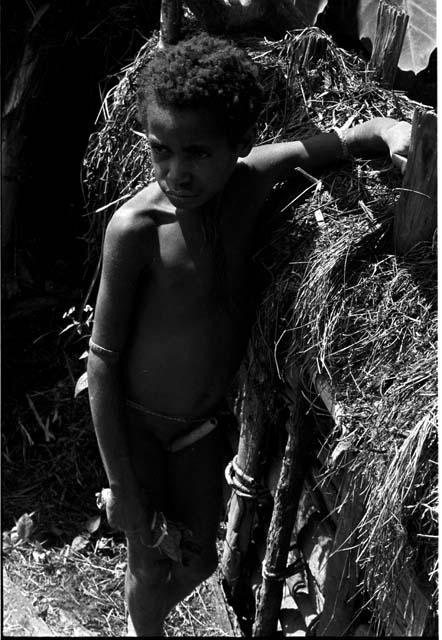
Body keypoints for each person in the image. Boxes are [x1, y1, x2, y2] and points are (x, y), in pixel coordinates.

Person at [87, 33, 411, 636]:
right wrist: (120, 484)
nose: (177, 171)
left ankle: (143, 618)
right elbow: (101, 362)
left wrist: (390, 133)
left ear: (239, 146)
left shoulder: (249, 183)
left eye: (198, 153)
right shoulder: (135, 228)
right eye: (162, 151)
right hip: (138, 425)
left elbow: (335, 143)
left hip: (203, 428)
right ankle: (145, 625)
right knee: (147, 558)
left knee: (202, 557)